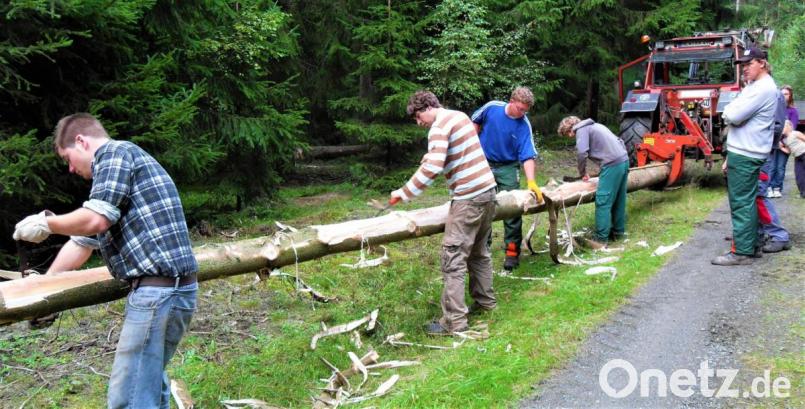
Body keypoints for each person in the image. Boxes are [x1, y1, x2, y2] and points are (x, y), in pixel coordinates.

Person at [12, 113, 198, 408]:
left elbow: (95, 220)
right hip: (169, 291)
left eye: (68, 159)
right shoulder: (119, 169)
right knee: (147, 384)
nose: (71, 169)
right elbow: (82, 244)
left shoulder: (114, 153)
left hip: (159, 293)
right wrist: (45, 286)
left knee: (129, 397)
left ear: (81, 141)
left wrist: (47, 223)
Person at [392, 91, 498, 335]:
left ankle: (454, 323)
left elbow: (434, 167)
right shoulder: (458, 116)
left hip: (468, 197)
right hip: (488, 191)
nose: (419, 123)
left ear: (428, 107)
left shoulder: (438, 127)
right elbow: (455, 153)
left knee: (453, 258)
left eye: (419, 117)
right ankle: (486, 303)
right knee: (479, 252)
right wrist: (431, 155)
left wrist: (403, 193)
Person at [711, 47, 778, 266]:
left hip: (747, 153)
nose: (744, 69)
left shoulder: (762, 89)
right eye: (743, 65)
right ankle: (753, 244)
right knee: (748, 200)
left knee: (741, 202)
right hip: (748, 150)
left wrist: (730, 111)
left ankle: (742, 252)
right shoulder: (756, 86)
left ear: (762, 63)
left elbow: (732, 114)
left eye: (749, 64)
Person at [471, 87, 544, 271]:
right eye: (520, 109)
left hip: (508, 167)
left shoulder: (523, 125)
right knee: (482, 206)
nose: (522, 113)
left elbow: (527, 155)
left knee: (512, 210)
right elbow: (474, 122)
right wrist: (472, 147)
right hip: (484, 163)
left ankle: (512, 252)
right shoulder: (492, 108)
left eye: (525, 111)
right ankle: (481, 250)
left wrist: (531, 182)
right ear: (511, 102)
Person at [557, 116, 629, 244]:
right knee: (619, 198)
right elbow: (620, 141)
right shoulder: (595, 126)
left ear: (569, 130)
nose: (570, 137)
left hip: (612, 164)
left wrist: (583, 173)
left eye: (568, 135)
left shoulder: (581, 130)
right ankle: (618, 232)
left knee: (603, 200)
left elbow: (581, 152)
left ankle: (601, 239)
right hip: (623, 160)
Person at [767, 86, 798, 197]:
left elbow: (790, 128)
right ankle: (769, 187)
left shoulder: (792, 111)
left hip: (784, 143)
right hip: (772, 142)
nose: (784, 96)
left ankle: (777, 187)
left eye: (786, 94)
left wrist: (780, 142)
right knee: (771, 166)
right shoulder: (772, 108)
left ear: (790, 96)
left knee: (780, 167)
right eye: (782, 93)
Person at [780, 120, 805, 198]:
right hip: (797, 157)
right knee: (799, 175)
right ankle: (803, 193)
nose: (782, 128)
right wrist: (780, 147)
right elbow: (788, 151)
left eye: (783, 126)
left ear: (789, 126)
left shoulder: (795, 133)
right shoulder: (784, 140)